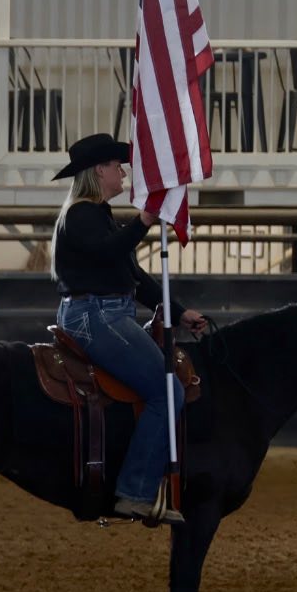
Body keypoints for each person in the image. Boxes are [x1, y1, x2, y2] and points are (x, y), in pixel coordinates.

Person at [49, 133, 208, 525]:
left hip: (100, 313)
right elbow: (113, 254)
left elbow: (131, 274)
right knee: (166, 391)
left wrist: (178, 310)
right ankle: (135, 491)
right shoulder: (83, 215)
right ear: (99, 170)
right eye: (116, 166)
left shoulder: (91, 215)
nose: (123, 172)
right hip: (98, 317)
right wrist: (144, 222)